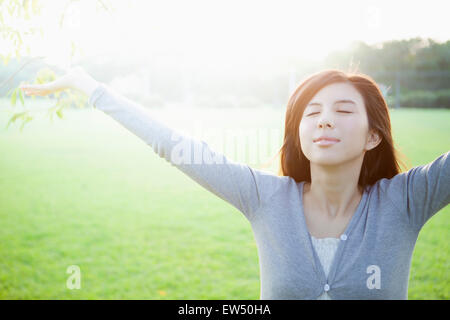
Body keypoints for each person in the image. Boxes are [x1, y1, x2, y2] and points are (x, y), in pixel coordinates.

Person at [20, 68, 450, 300]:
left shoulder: (406, 201)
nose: (324, 119)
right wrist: (92, 89)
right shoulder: (264, 197)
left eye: (343, 110)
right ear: (298, 130)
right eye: (312, 110)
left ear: (373, 136)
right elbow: (175, 145)